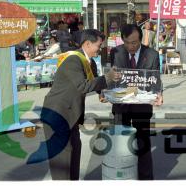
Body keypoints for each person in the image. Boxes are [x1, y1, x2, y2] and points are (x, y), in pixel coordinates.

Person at [40, 29, 121, 180]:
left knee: (74, 152)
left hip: (72, 116)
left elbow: (95, 83)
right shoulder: (73, 60)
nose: (100, 48)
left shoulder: (90, 63)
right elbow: (83, 86)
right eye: (99, 45)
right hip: (57, 114)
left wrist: (102, 94)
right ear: (88, 44)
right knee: (62, 162)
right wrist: (108, 77)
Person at [109, 24, 164, 180]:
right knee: (121, 144)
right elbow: (109, 75)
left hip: (142, 106)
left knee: (143, 143)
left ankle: (145, 178)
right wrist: (104, 92)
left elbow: (156, 80)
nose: (130, 46)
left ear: (141, 39)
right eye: (126, 42)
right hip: (121, 105)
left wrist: (159, 94)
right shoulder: (116, 52)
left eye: (134, 42)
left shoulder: (152, 54)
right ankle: (122, 177)